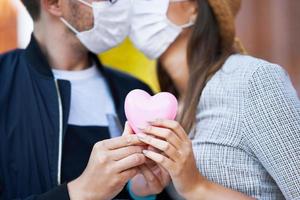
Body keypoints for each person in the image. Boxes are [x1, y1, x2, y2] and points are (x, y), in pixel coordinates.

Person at [128, 0, 300, 199]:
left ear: (193, 8)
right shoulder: (173, 104)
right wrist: (145, 187)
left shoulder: (254, 80)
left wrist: (198, 187)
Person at [0, 0, 170, 199]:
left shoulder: (135, 92)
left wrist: (141, 192)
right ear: (54, 3)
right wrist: (80, 192)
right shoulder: (4, 83)